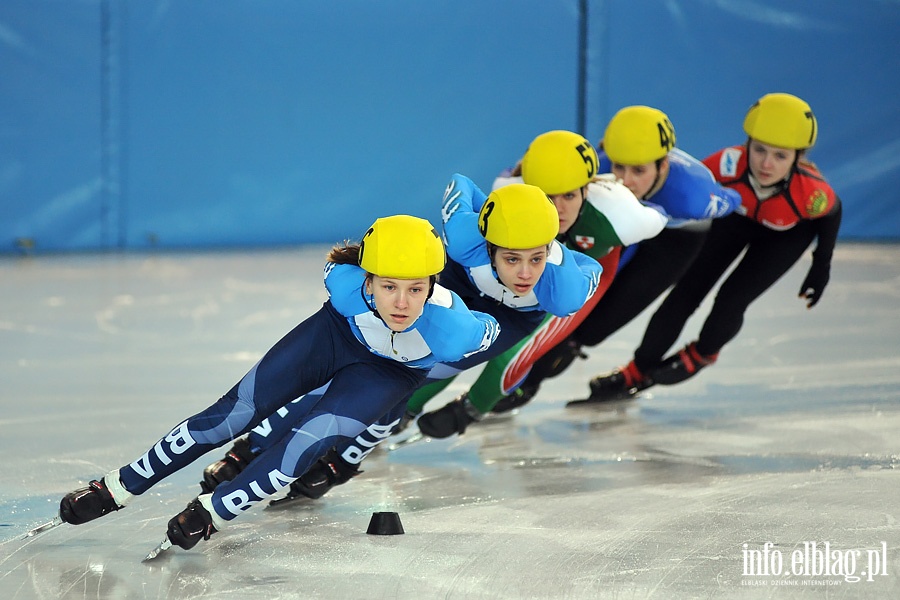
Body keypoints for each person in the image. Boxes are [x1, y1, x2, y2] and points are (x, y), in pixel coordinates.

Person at [56, 215, 501, 551]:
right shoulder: (344, 287)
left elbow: (492, 331)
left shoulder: (453, 328)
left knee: (309, 439)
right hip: (336, 335)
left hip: (391, 372)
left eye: (415, 289)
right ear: (367, 279)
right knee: (229, 416)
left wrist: (211, 511)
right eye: (388, 287)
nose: (402, 303)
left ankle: (215, 511)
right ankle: (118, 487)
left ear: (432, 284)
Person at [201, 172, 606, 502]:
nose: (523, 272)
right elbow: (460, 184)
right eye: (512, 257)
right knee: (357, 364)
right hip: (455, 286)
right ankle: (249, 449)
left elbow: (519, 352)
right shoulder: (468, 238)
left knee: (411, 378)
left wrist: (472, 407)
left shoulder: (565, 284)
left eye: (535, 257)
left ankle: (342, 461)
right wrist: (495, 201)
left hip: (503, 320)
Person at [422, 105, 741, 421]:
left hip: (668, 236)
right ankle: (523, 382)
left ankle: (625, 369)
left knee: (590, 329)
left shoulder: (687, 199)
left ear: (663, 165)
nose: (627, 181)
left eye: (639, 170)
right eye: (619, 167)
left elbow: (737, 199)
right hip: (596, 237)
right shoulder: (574, 174)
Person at [410, 130, 668, 438]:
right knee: (458, 342)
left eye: (569, 196)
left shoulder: (622, 215)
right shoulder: (510, 192)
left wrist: (472, 408)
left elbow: (668, 212)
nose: (558, 209)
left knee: (513, 353)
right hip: (519, 276)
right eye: (547, 197)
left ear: (588, 191)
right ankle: (405, 408)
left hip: (577, 277)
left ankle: (474, 406)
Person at [588, 92, 841, 399]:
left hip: (784, 236)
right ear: (747, 143)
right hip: (734, 223)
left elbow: (832, 212)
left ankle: (705, 352)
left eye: (780, 156)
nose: (765, 164)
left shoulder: (810, 192)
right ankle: (637, 370)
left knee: (731, 301)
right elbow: (689, 184)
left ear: (798, 157)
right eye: (759, 150)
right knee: (684, 294)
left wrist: (821, 265)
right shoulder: (726, 164)